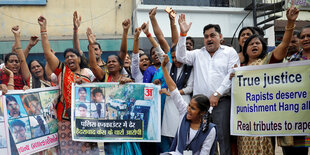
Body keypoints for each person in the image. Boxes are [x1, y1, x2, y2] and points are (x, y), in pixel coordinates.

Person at [237, 4, 299, 154]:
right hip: (244, 122)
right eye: (250, 44)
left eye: (257, 43)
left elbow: (284, 45)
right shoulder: (239, 67)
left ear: (262, 46)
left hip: (263, 121)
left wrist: (290, 23)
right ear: (245, 49)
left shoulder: (268, 61)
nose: (254, 45)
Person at [176, 14, 239, 154]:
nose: (209, 39)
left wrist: (217, 94)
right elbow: (180, 56)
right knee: (205, 140)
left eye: (212, 35)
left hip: (221, 102)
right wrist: (183, 34)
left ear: (220, 37)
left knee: (223, 139)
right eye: (206, 36)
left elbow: (232, 74)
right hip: (201, 106)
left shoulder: (230, 52)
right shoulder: (198, 54)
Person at [38, 15, 98, 154]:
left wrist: (84, 84)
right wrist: (43, 29)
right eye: (67, 57)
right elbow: (47, 54)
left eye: (72, 56)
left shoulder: (88, 72)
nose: (69, 58)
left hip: (87, 119)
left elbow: (98, 91)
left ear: (79, 58)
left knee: (89, 151)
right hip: (66, 120)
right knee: (69, 151)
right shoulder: (62, 72)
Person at [87, 26, 141, 155]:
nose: (110, 63)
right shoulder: (104, 77)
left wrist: (130, 83)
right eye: (108, 62)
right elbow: (93, 65)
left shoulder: (127, 78)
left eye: (114, 61)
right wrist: (91, 45)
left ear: (120, 65)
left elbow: (134, 96)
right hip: (109, 123)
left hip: (126, 124)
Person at [161, 54, 217, 155]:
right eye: (189, 106)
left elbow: (205, 153)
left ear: (202, 112)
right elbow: (173, 89)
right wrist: (164, 67)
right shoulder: (184, 112)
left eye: (193, 108)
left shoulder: (210, 130)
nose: (188, 109)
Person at [279, 25, 309, 155]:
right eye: (303, 37)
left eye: (309, 36)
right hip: (300, 118)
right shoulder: (291, 60)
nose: (306, 39)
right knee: (298, 151)